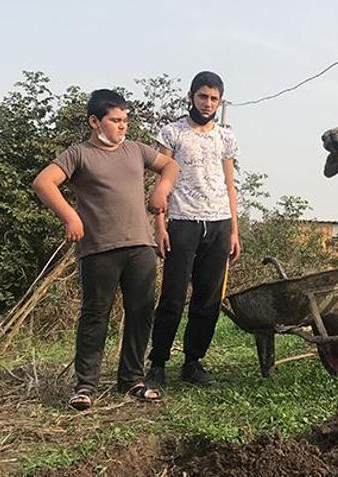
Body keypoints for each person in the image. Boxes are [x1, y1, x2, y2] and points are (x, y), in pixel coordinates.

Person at [32, 89, 179, 410]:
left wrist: (160, 192)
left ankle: (132, 380)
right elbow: (44, 182)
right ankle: (85, 385)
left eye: (125, 120)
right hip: (99, 248)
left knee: (140, 313)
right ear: (94, 121)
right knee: (95, 315)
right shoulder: (79, 154)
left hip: (140, 245)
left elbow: (170, 167)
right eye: (115, 120)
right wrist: (70, 216)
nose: (122, 126)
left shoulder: (136, 151)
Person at [145, 71, 241, 387]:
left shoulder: (225, 137)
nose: (208, 103)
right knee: (172, 297)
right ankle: (157, 364)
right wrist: (160, 225)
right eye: (203, 96)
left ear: (220, 101)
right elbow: (161, 179)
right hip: (182, 221)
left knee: (208, 299)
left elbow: (230, 183)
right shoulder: (172, 132)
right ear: (191, 96)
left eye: (214, 98)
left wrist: (234, 231)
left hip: (218, 222)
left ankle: (193, 362)